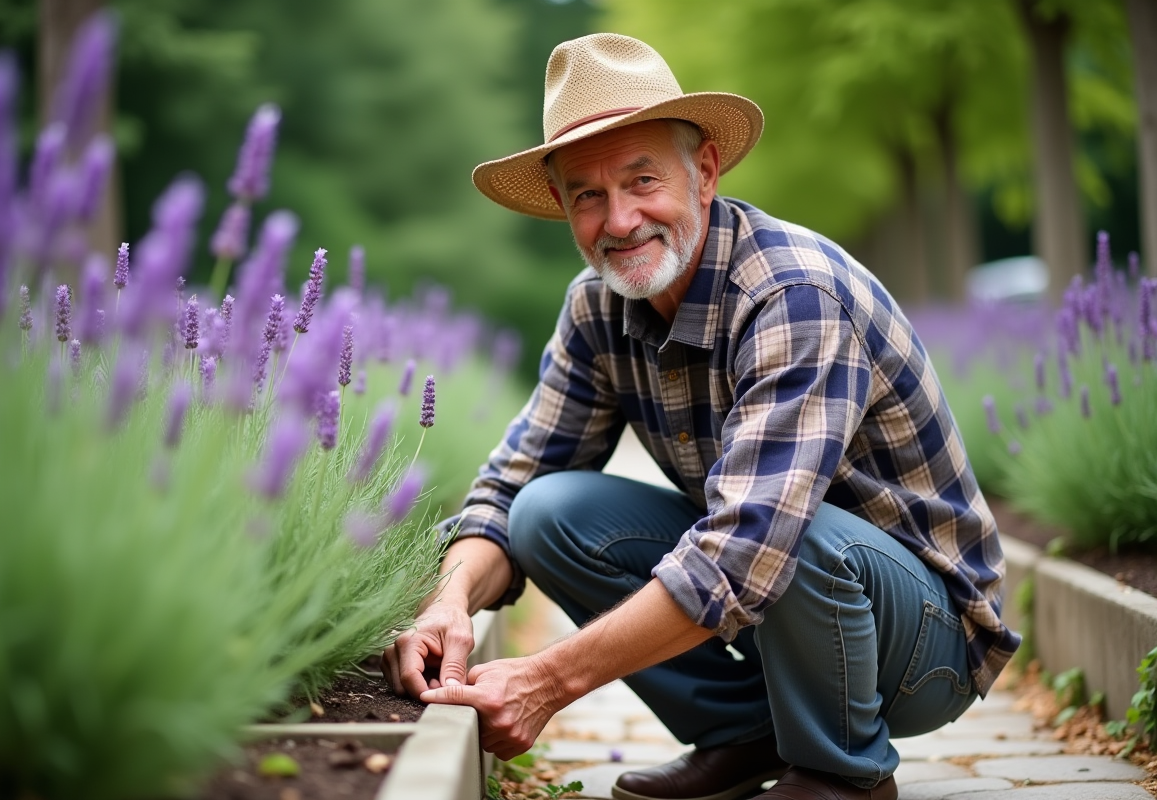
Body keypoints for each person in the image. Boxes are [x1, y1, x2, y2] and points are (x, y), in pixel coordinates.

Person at [381, 33, 1018, 800]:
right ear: (562, 206)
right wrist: (446, 603)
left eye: (641, 180)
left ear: (705, 170)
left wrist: (545, 681)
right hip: (782, 597)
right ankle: (747, 735)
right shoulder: (597, 307)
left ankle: (842, 773)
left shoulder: (791, 295)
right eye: (587, 194)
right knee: (547, 513)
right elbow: (513, 485)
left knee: (795, 527)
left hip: (923, 645)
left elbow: (750, 545)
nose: (619, 221)